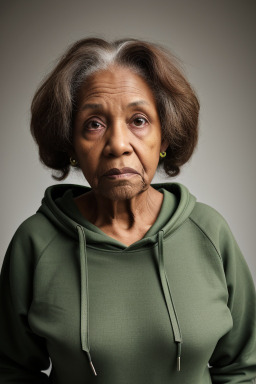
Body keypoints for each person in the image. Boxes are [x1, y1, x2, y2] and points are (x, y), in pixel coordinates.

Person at [0, 37, 255, 384]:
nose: (118, 145)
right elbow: (11, 371)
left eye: (138, 120)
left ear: (164, 137)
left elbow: (244, 368)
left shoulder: (210, 232)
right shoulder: (35, 242)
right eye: (94, 123)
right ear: (70, 142)